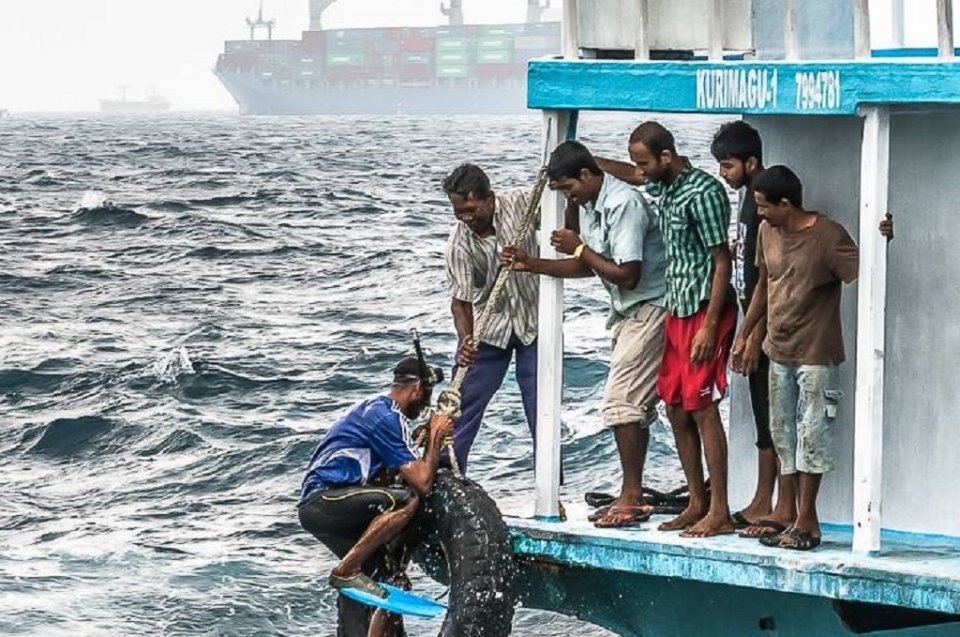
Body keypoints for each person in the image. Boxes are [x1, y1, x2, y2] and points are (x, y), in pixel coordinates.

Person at [501, 140, 667, 528]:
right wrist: (531, 264)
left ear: (588, 175)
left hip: (651, 306)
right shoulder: (592, 204)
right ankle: (633, 492)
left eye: (569, 189)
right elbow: (589, 267)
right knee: (631, 406)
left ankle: (631, 496)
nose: (568, 198)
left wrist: (578, 248)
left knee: (620, 404)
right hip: (627, 312)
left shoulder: (623, 204)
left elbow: (627, 274)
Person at [736, 165, 893, 550]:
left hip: (816, 352)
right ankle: (786, 511)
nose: (759, 213)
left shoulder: (827, 236)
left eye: (764, 206)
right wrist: (747, 333)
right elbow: (765, 285)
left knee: (813, 434)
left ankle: (808, 521)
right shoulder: (766, 232)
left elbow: (867, 271)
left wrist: (883, 239)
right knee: (783, 431)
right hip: (779, 348)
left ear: (786, 203)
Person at [600, 121, 737, 538]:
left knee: (702, 406)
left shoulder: (704, 193)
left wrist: (709, 327)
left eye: (645, 162)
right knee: (676, 407)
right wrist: (590, 161)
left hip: (702, 310)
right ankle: (696, 501)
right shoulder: (665, 185)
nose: (639, 171)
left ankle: (720, 509)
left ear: (666, 156)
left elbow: (722, 261)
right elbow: (632, 175)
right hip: (675, 307)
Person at [297, 355, 454, 634]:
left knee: (389, 581)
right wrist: (435, 436)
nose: (426, 405)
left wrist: (418, 440)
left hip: (336, 502)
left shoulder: (379, 411)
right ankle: (346, 570)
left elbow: (382, 477)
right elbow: (422, 483)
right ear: (417, 389)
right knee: (406, 500)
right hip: (323, 499)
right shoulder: (386, 415)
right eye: (427, 396)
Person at [711, 121, 795, 539]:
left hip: (767, 325)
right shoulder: (747, 200)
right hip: (751, 318)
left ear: (751, 162)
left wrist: (753, 332)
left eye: (728, 165)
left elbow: (769, 277)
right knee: (762, 414)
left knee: (775, 415)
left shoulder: (759, 203)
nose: (724, 174)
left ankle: (779, 502)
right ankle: (764, 496)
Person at [443, 163, 539, 470]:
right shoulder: (459, 242)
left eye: (472, 209)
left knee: (542, 406)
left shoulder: (522, 202)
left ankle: (551, 488)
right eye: (460, 212)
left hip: (535, 324)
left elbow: (564, 205)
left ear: (489, 198)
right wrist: (465, 340)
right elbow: (461, 302)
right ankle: (447, 474)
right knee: (462, 403)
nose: (467, 218)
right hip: (490, 329)